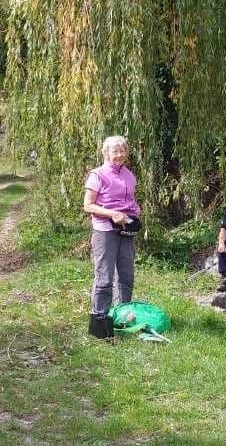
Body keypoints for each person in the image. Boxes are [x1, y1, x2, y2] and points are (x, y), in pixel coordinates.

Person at [83, 135, 141, 337]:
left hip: (126, 230)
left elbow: (130, 200)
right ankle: (99, 322)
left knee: (126, 276)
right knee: (105, 277)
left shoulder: (129, 175)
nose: (120, 154)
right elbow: (88, 205)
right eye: (115, 151)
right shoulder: (97, 175)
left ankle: (123, 318)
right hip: (105, 230)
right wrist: (112, 214)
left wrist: (134, 212)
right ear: (105, 153)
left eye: (123, 150)